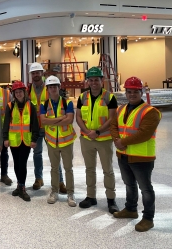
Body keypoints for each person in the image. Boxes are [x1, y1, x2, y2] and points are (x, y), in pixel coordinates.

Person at [111, 76, 161, 232]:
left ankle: (148, 218)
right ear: (125, 93)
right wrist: (116, 140)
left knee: (145, 188)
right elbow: (114, 126)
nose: (132, 94)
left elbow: (144, 134)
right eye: (129, 91)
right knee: (129, 184)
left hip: (142, 157)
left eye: (135, 92)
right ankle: (131, 209)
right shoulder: (121, 109)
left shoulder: (151, 112)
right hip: (123, 155)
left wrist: (122, 142)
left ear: (141, 92)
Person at [76, 67, 119, 213]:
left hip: (104, 139)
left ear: (102, 81)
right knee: (89, 169)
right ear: (87, 81)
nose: (94, 82)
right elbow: (78, 117)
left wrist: (98, 131)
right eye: (91, 80)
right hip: (87, 138)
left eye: (97, 80)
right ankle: (91, 197)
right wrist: (88, 132)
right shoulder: (82, 97)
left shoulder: (109, 97)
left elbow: (112, 119)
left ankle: (111, 200)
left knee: (108, 170)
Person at [28, 63, 65, 193]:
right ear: (31, 75)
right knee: (37, 154)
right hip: (35, 128)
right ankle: (39, 178)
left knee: (54, 155)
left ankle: (60, 181)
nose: (36, 75)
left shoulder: (49, 88)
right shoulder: (28, 90)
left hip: (50, 127)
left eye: (38, 72)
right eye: (33, 73)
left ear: (42, 73)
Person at [40, 76, 77, 207]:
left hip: (66, 141)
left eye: (55, 86)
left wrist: (52, 121)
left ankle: (70, 193)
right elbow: (43, 121)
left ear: (59, 87)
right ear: (48, 89)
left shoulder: (68, 103)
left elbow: (69, 120)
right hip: (51, 141)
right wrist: (60, 119)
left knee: (68, 168)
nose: (53, 89)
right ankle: (54, 191)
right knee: (54, 168)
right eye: (50, 87)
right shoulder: (44, 105)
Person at [3, 81, 39, 202]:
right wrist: (5, 138)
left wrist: (34, 139)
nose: (18, 94)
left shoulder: (31, 105)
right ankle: (19, 186)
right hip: (14, 140)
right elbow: (6, 123)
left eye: (20, 91)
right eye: (16, 92)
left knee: (22, 163)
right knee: (17, 163)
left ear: (24, 92)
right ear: (14, 93)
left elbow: (35, 124)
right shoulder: (10, 106)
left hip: (26, 141)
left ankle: (22, 187)